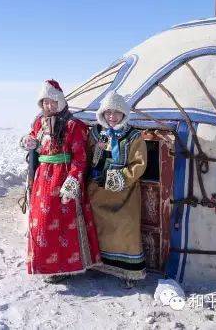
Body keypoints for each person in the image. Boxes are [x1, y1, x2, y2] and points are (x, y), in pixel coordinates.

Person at [20, 79, 101, 281]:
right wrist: (27, 141)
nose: (48, 106)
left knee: (62, 224)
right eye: (44, 102)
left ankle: (64, 267)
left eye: (52, 101)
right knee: (40, 222)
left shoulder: (74, 125)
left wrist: (72, 181)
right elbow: (33, 139)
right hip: (42, 178)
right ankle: (45, 264)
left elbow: (80, 157)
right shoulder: (39, 122)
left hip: (62, 177)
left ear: (61, 102)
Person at [86, 91, 147, 285]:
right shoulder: (96, 133)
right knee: (97, 228)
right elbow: (86, 156)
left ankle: (127, 270)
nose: (112, 117)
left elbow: (139, 164)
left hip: (124, 192)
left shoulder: (133, 136)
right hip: (97, 191)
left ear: (124, 114)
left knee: (125, 228)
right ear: (102, 114)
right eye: (108, 112)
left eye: (116, 113)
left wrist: (119, 178)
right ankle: (98, 263)